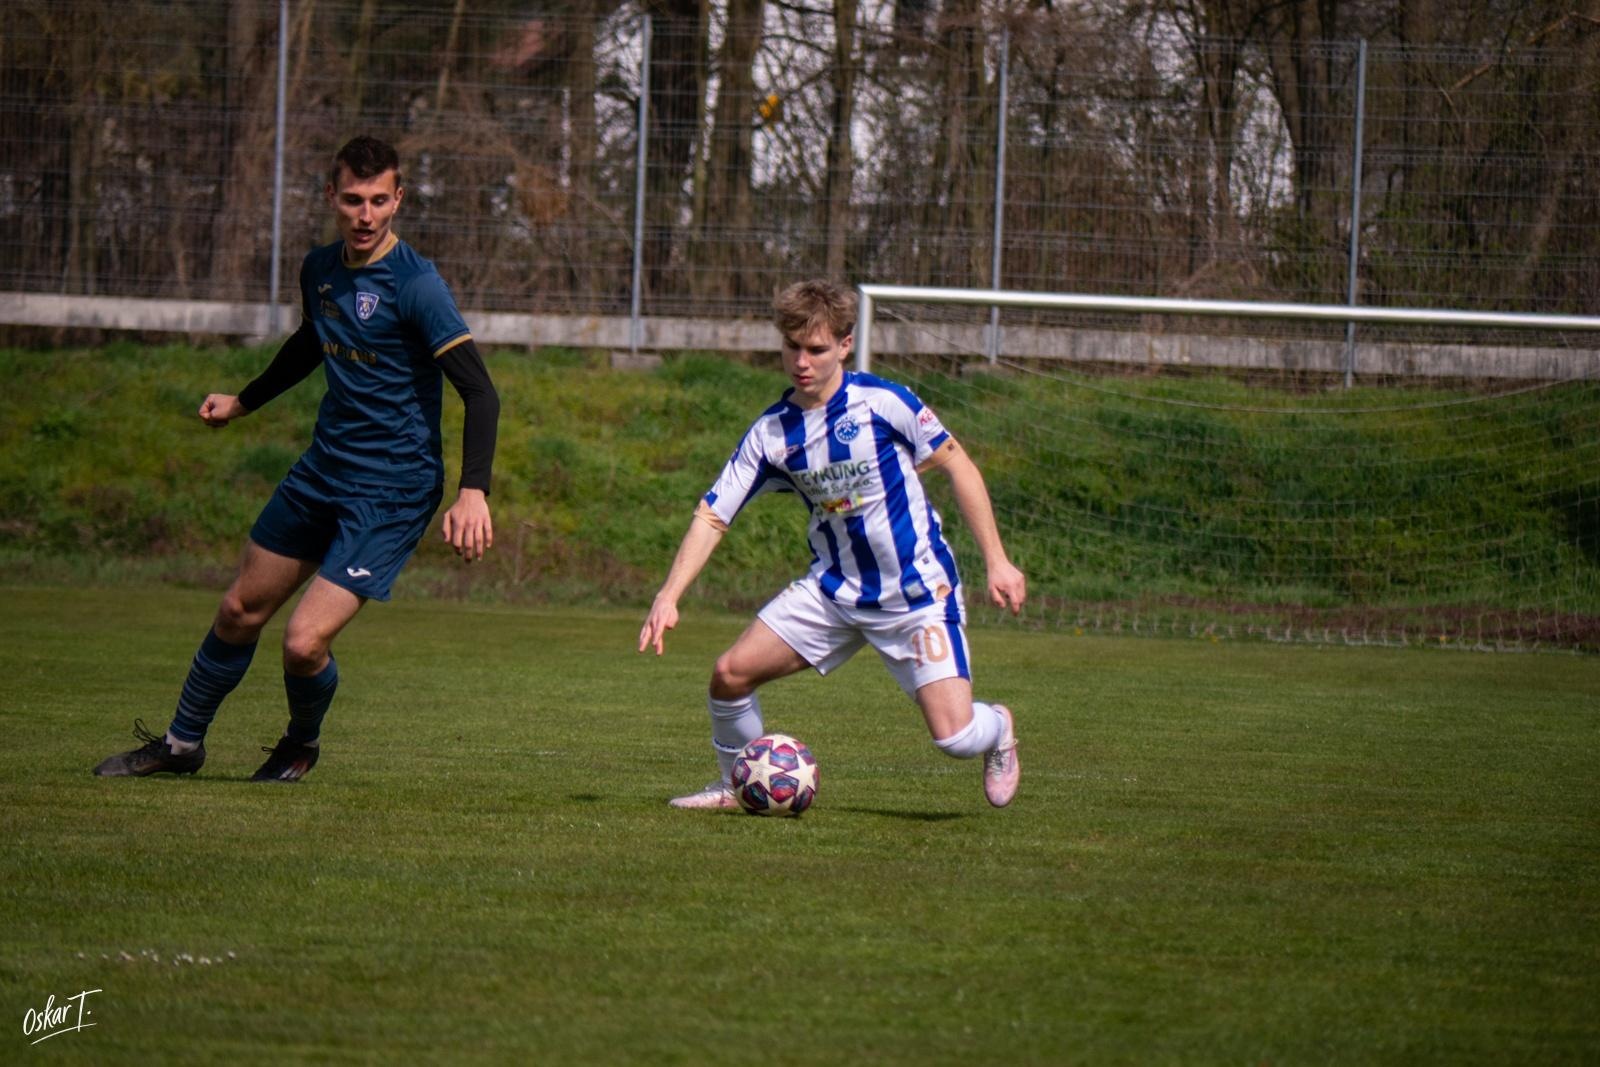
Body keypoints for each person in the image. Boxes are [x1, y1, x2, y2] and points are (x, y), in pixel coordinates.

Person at [94, 135, 500, 782]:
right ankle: (180, 745)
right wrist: (243, 402)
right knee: (238, 610)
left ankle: (299, 744)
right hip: (324, 469)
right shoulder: (320, 270)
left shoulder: (417, 286)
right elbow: (312, 342)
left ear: (398, 200)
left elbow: (480, 391)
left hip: (392, 489)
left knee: (303, 642)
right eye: (352, 200)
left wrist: (472, 490)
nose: (364, 215)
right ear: (331, 197)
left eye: (378, 201)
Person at [637, 279, 1027, 809]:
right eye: (792, 346)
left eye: (816, 349)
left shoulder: (884, 403)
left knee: (955, 738)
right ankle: (734, 785)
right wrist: (669, 594)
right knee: (729, 675)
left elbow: (958, 465)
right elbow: (713, 514)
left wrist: (997, 561)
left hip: (916, 595)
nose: (802, 361)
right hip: (834, 592)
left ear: (845, 345)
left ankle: (998, 726)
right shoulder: (772, 434)